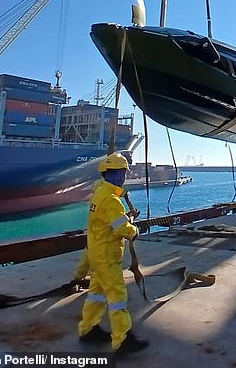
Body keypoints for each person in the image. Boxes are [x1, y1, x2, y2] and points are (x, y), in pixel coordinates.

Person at [77, 152, 149, 354]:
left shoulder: (99, 194)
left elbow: (108, 221)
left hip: (97, 254)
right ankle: (122, 340)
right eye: (123, 173)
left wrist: (123, 218)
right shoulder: (111, 200)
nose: (124, 177)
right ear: (120, 175)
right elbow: (121, 228)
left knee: (97, 294)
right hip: (107, 257)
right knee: (117, 296)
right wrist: (134, 230)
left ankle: (88, 329)